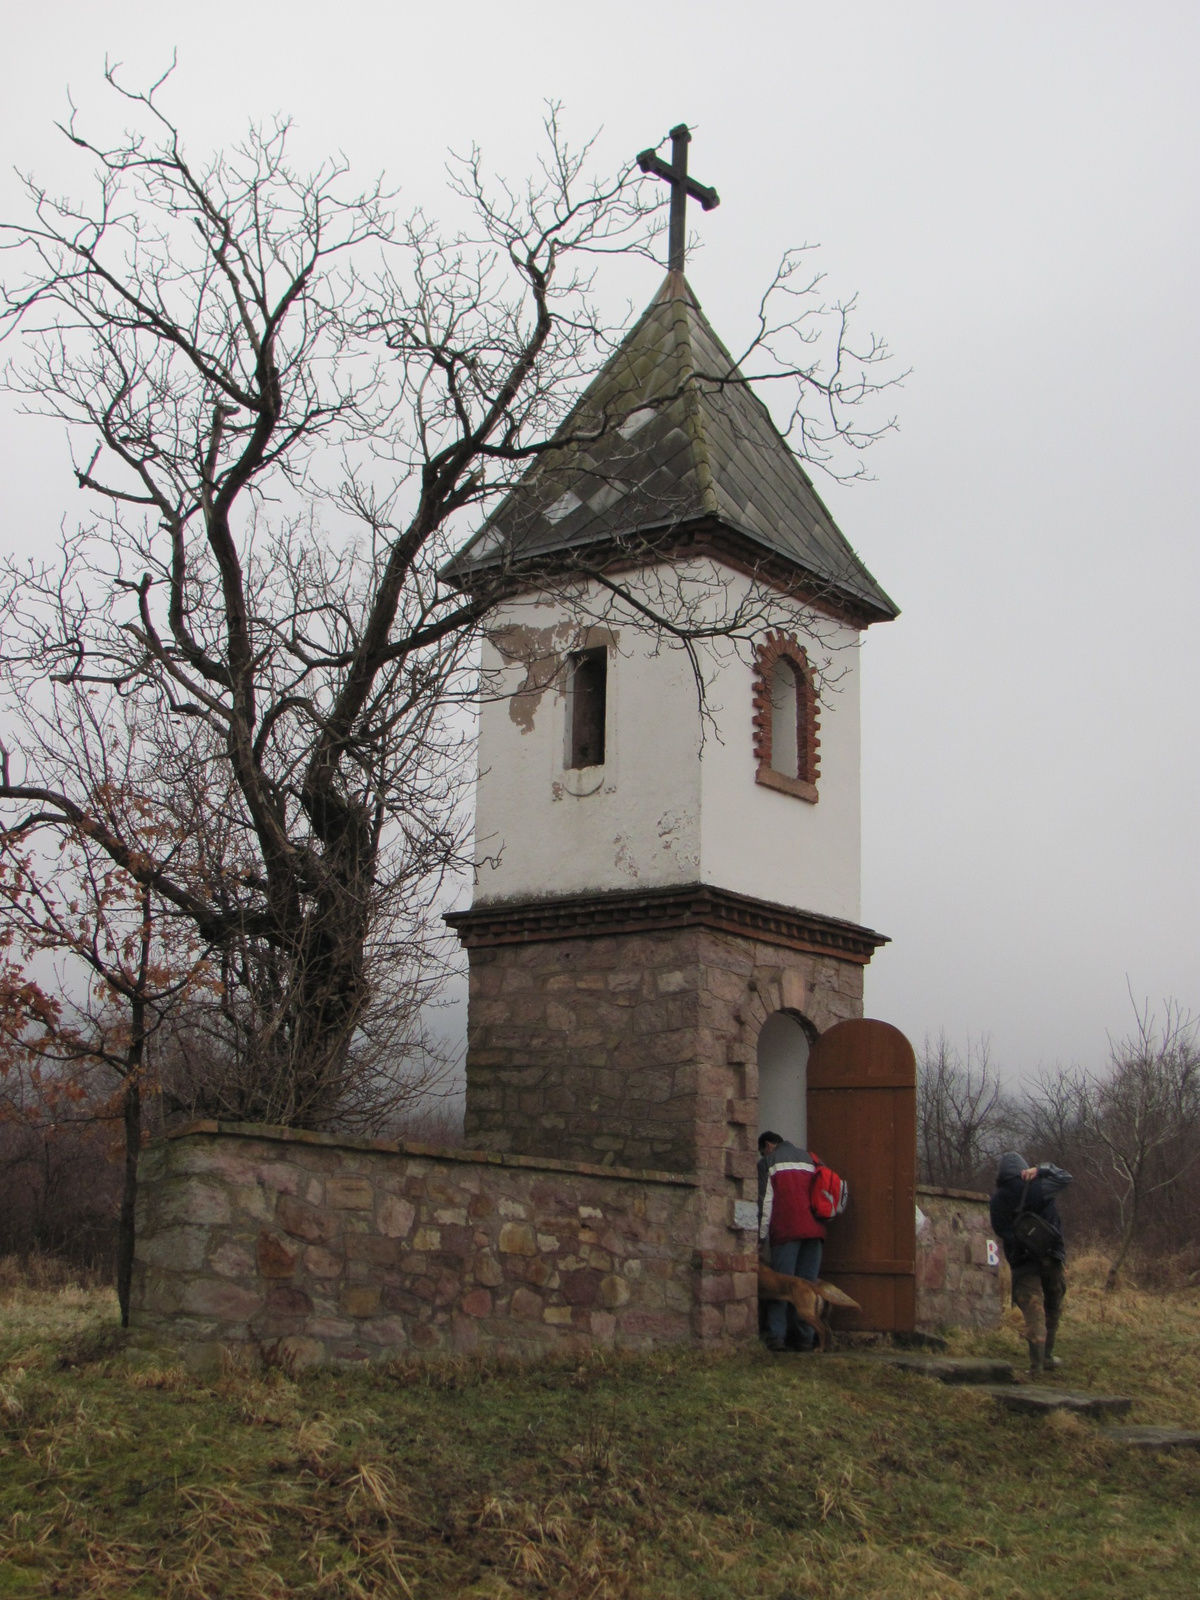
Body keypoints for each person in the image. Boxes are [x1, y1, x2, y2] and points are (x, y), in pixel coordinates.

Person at [989, 1151, 1073, 1374]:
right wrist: (1042, 1169)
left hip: (1023, 1262)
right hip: (1051, 1255)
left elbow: (1000, 1230)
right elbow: (1066, 1177)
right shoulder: (1039, 1186)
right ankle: (1047, 1357)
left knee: (1033, 1312)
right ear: (1023, 1167)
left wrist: (1021, 1244)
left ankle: (1036, 1365)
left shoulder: (997, 1199)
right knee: (1053, 1306)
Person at [758, 1131, 825, 1353]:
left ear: (768, 1145)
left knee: (781, 1288)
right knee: (806, 1288)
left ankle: (777, 1338)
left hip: (786, 1230)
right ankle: (805, 1339)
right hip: (815, 1230)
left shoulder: (769, 1162)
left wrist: (760, 1237)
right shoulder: (810, 1158)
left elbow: (766, 1203)